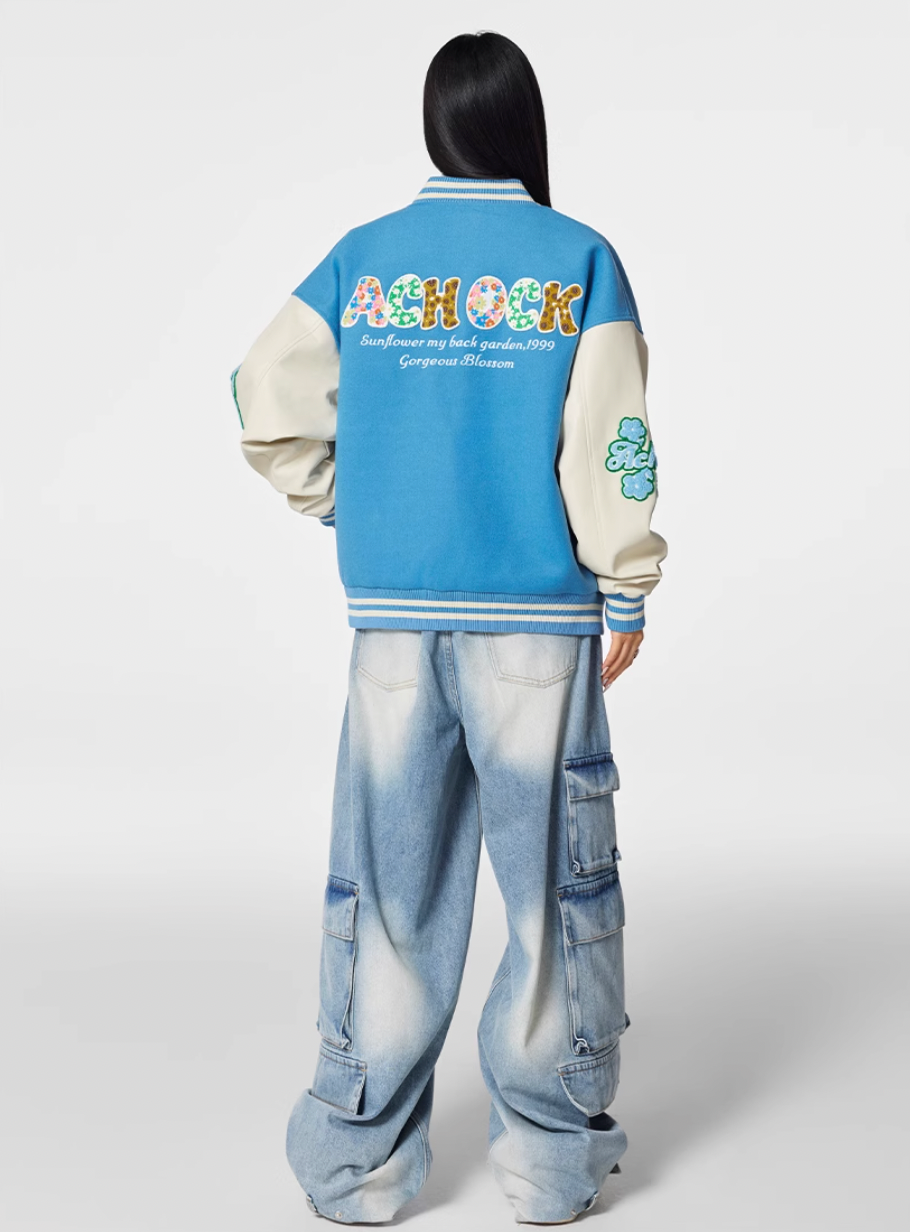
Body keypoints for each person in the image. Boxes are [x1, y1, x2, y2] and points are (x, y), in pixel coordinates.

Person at [231, 29, 668, 1227]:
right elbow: (613, 437)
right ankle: (548, 1166)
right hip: (537, 628)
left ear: (435, 125)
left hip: (393, 627)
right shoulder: (578, 258)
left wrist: (354, 502)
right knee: (550, 897)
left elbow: (262, 395)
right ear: (522, 122)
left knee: (389, 893)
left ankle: (356, 1165)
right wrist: (626, 581)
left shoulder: (363, 259)